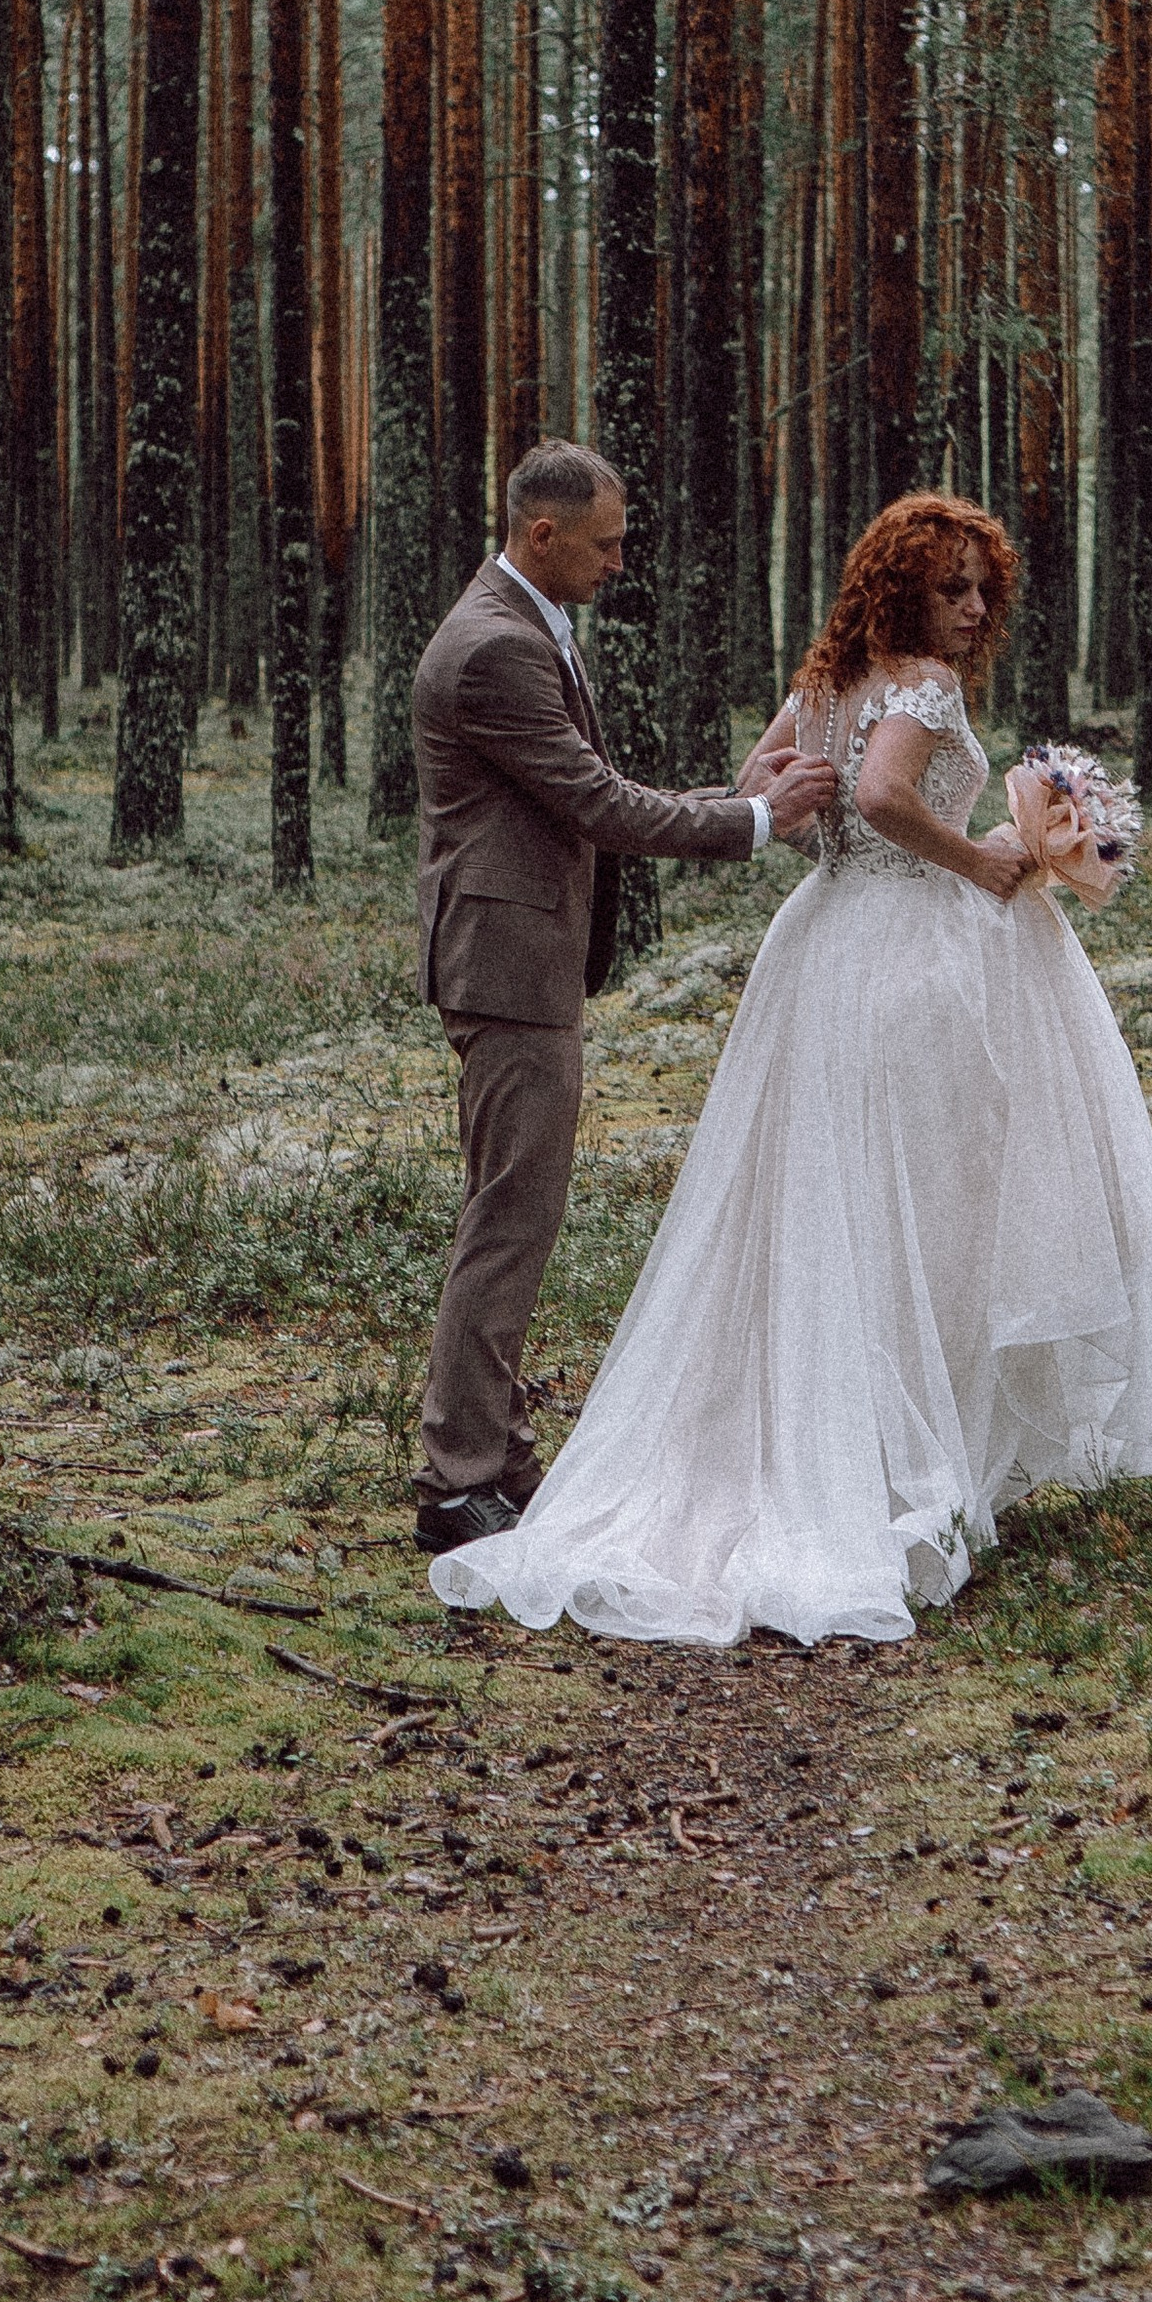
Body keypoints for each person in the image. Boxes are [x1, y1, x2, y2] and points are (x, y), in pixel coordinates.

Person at [428, 490, 1152, 1647]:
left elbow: (771, 779)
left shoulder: (824, 682)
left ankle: (862, 1434)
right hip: (906, 959)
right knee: (922, 1205)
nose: (968, 610)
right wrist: (978, 861)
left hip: (821, 947)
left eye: (979, 589)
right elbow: (874, 795)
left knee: (832, 1203)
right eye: (948, 587)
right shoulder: (918, 685)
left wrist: (815, 830)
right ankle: (888, 1457)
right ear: (901, 587)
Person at [408, 440, 837, 1553]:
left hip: (521, 961)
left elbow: (582, 795)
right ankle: (457, 1481)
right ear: (540, 535)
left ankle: (493, 1455)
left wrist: (730, 798)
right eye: (602, 545)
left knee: (514, 1211)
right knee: (509, 1217)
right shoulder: (494, 649)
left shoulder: (521, 625)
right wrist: (749, 822)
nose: (616, 562)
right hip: (506, 968)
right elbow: (593, 801)